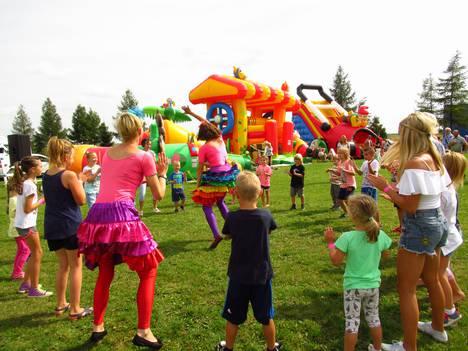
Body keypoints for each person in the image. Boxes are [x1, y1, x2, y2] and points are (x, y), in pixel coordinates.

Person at [77, 112, 168, 348]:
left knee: (105, 270)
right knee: (149, 270)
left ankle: (98, 327)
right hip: (121, 215)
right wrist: (162, 173)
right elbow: (159, 194)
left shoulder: (107, 154)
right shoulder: (144, 156)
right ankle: (143, 331)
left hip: (98, 215)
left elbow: (123, 180)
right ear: (140, 132)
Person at [368, 112, 450, 351]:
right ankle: (438, 328)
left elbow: (410, 205)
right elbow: (424, 196)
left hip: (420, 225)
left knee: (406, 289)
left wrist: (387, 188)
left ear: (410, 135)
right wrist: (395, 190)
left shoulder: (414, 163)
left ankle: (408, 346)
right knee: (433, 279)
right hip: (436, 222)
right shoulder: (433, 158)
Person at [216, 171, 281, 351]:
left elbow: (228, 234)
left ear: (235, 194)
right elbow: (269, 230)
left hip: (238, 276)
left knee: (233, 317)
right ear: (260, 193)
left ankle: (228, 347)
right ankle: (271, 347)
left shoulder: (232, 218)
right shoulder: (266, 216)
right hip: (262, 276)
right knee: (266, 316)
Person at [324, 194, 392, 351]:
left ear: (351, 214)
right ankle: (377, 348)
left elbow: (336, 261)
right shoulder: (380, 234)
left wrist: (330, 243)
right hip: (373, 285)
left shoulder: (347, 237)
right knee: (374, 318)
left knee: (352, 322)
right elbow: (386, 255)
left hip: (353, 287)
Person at [43, 137, 93, 319]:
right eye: (71, 154)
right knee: (76, 266)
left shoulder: (46, 175)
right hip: (70, 226)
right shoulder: (69, 175)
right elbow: (81, 200)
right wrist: (80, 181)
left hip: (52, 226)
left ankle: (60, 304)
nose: (73, 158)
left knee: (62, 266)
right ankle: (75, 309)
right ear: (65, 156)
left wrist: (79, 180)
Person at [182, 105, 239, 249]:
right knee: (220, 202)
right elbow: (205, 122)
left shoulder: (204, 147)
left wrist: (198, 185)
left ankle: (216, 234)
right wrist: (191, 113)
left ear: (203, 135)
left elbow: (200, 168)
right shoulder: (220, 138)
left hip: (215, 176)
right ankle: (233, 230)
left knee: (206, 206)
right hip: (227, 174)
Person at [12, 156, 51, 297]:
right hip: (26, 225)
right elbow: (28, 208)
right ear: (33, 169)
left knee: (34, 253)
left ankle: (26, 284)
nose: (42, 168)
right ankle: (34, 289)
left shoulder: (26, 182)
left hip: (23, 224)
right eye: (40, 166)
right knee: (37, 253)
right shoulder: (30, 185)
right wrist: (42, 200)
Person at [437, 151, 466, 326]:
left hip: (447, 236)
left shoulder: (445, 191)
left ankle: (450, 312)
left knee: (439, 274)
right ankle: (454, 296)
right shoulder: (449, 187)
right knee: (443, 270)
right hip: (450, 234)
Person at [6, 179, 29, 280]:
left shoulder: (12, 199)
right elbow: (19, 213)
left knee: (21, 250)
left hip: (16, 228)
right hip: (18, 228)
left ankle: (16, 271)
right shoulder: (15, 200)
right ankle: (17, 272)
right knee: (25, 250)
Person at [138, 138, 160, 215]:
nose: (149, 146)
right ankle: (140, 210)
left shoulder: (152, 153)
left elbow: (154, 163)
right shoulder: (140, 153)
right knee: (142, 194)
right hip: (143, 176)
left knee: (155, 192)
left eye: (150, 144)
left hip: (151, 175)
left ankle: (155, 208)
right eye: (148, 144)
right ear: (143, 144)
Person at [337, 147, 356, 217]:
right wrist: (332, 171)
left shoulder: (348, 162)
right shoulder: (340, 162)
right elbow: (339, 173)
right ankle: (346, 212)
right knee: (340, 200)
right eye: (338, 153)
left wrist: (344, 170)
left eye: (341, 153)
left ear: (345, 154)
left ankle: (356, 212)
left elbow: (353, 173)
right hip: (343, 184)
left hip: (350, 184)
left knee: (348, 200)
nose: (339, 155)